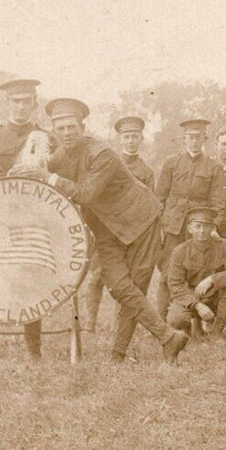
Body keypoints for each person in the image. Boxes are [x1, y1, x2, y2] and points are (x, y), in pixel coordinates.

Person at [15, 98, 188, 363]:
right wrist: (27, 166)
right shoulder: (62, 154)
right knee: (120, 288)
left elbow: (85, 194)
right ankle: (168, 337)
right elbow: (42, 171)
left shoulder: (102, 153)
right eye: (60, 129)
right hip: (106, 229)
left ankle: (118, 356)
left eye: (71, 127)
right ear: (54, 131)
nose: (66, 133)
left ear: (82, 127)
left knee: (135, 290)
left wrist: (45, 176)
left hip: (140, 222)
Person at [0, 78, 49, 358]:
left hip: (29, 218)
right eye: (16, 101)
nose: (21, 107)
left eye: (27, 101)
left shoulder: (43, 137)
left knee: (30, 277)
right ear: (7, 104)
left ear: (34, 104)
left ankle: (33, 351)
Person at [81, 115, 153, 332]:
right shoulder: (108, 162)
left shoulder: (147, 172)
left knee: (125, 283)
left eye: (135, 137)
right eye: (127, 137)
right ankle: (90, 324)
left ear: (141, 140)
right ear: (120, 139)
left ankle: (117, 326)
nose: (131, 141)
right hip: (105, 231)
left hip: (131, 233)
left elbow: (148, 206)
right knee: (96, 278)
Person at [155, 118, 222, 320]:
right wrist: (161, 226)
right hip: (173, 227)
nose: (194, 141)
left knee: (196, 273)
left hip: (199, 227)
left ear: (205, 139)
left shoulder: (213, 167)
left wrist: (212, 227)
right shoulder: (171, 163)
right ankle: (163, 320)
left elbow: (218, 201)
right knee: (168, 274)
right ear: (184, 139)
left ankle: (194, 320)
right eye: (190, 137)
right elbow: (160, 197)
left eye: (198, 137)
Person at [164, 205, 226, 343]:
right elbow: (175, 285)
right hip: (190, 296)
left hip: (214, 294)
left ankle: (216, 331)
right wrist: (197, 305)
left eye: (206, 226)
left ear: (213, 228)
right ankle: (191, 328)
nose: (202, 231)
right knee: (176, 319)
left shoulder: (224, 245)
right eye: (198, 226)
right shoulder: (180, 251)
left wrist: (212, 279)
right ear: (190, 228)